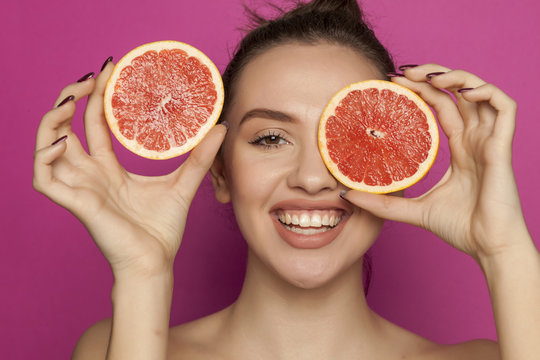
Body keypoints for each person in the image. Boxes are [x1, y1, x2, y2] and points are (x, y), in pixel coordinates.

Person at [33, 0, 539, 359]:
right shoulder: (115, 348)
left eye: (351, 140)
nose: (313, 178)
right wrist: (144, 272)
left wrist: (504, 251)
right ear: (220, 170)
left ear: (396, 169)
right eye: (271, 138)